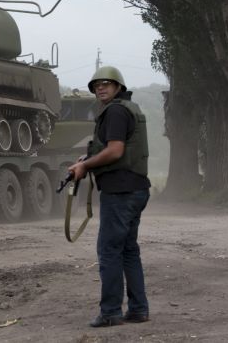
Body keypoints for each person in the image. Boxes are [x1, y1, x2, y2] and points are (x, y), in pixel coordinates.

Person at [68, 66, 151, 327]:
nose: (100, 88)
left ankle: (111, 312)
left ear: (118, 86)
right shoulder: (128, 108)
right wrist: (88, 157)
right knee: (128, 251)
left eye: (106, 83)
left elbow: (115, 151)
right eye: (96, 85)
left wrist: (85, 166)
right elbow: (119, 148)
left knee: (109, 251)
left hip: (120, 191)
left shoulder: (114, 111)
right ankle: (138, 310)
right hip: (136, 187)